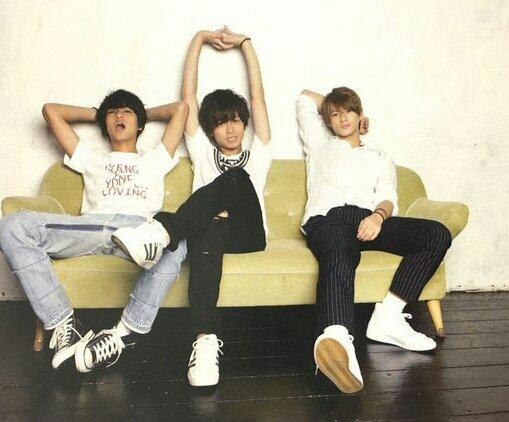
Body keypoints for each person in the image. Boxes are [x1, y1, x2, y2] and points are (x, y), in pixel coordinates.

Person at [112, 27, 272, 387]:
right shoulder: (202, 151)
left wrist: (245, 44)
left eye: (235, 120)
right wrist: (199, 38)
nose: (230, 129)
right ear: (209, 130)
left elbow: (258, 97)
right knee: (209, 230)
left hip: (249, 235)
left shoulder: (259, 153)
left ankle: (161, 231)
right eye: (220, 123)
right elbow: (188, 97)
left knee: (236, 178)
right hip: (212, 233)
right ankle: (204, 342)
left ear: (244, 122)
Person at [0, 89, 189, 372]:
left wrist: (138, 113)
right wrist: (103, 114)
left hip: (138, 234)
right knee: (11, 226)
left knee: (177, 241)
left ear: (140, 125)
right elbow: (51, 110)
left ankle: (122, 335)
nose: (119, 116)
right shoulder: (89, 157)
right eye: (113, 113)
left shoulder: (155, 158)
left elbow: (181, 109)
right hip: (91, 228)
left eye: (126, 112)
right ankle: (64, 322)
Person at [296, 87, 452, 393]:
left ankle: (388, 317)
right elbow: (304, 97)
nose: (343, 119)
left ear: (360, 115)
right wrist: (332, 106)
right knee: (341, 253)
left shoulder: (380, 158)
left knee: (436, 234)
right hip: (327, 220)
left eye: (349, 112)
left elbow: (387, 197)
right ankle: (338, 339)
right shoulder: (319, 144)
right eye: (336, 114)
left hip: (368, 219)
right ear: (328, 119)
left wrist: (378, 217)